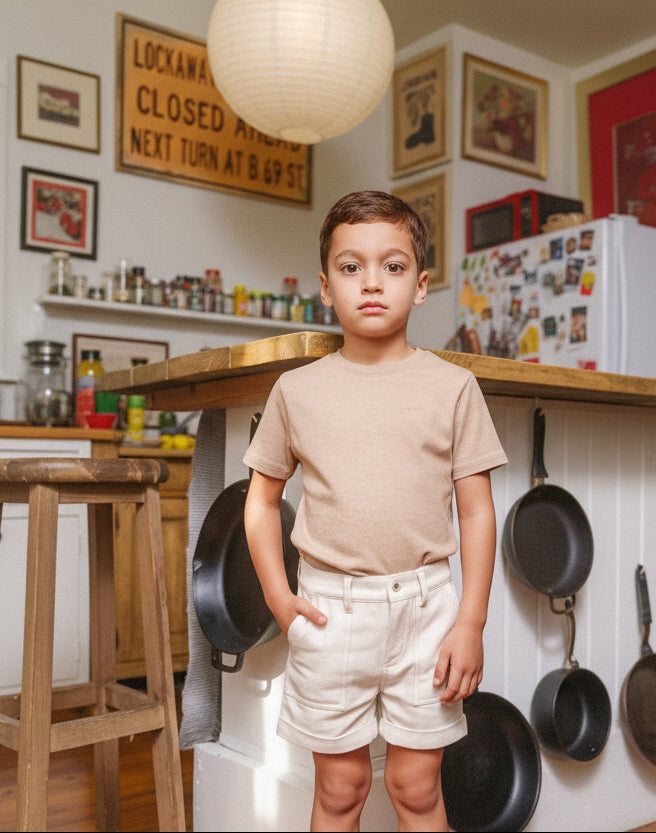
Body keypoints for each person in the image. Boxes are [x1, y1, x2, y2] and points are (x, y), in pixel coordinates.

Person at [243, 190, 507, 832]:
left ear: (419, 286)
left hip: (428, 614)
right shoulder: (296, 391)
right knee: (341, 790)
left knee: (416, 789)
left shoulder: (453, 387)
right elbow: (261, 504)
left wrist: (470, 622)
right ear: (327, 287)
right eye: (351, 266)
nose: (371, 283)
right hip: (332, 615)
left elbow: (476, 513)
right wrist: (281, 600)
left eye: (391, 267)